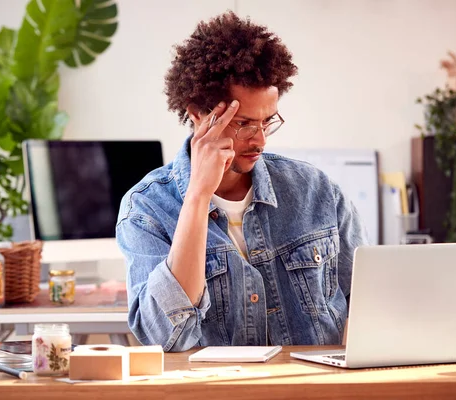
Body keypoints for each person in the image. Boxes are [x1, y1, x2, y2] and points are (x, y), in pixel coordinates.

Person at [116, 11, 368, 352]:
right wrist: (197, 196)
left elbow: (370, 303)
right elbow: (164, 336)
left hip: (313, 386)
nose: (260, 140)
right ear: (198, 114)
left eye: (268, 122)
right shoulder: (147, 208)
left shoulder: (317, 192)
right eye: (245, 123)